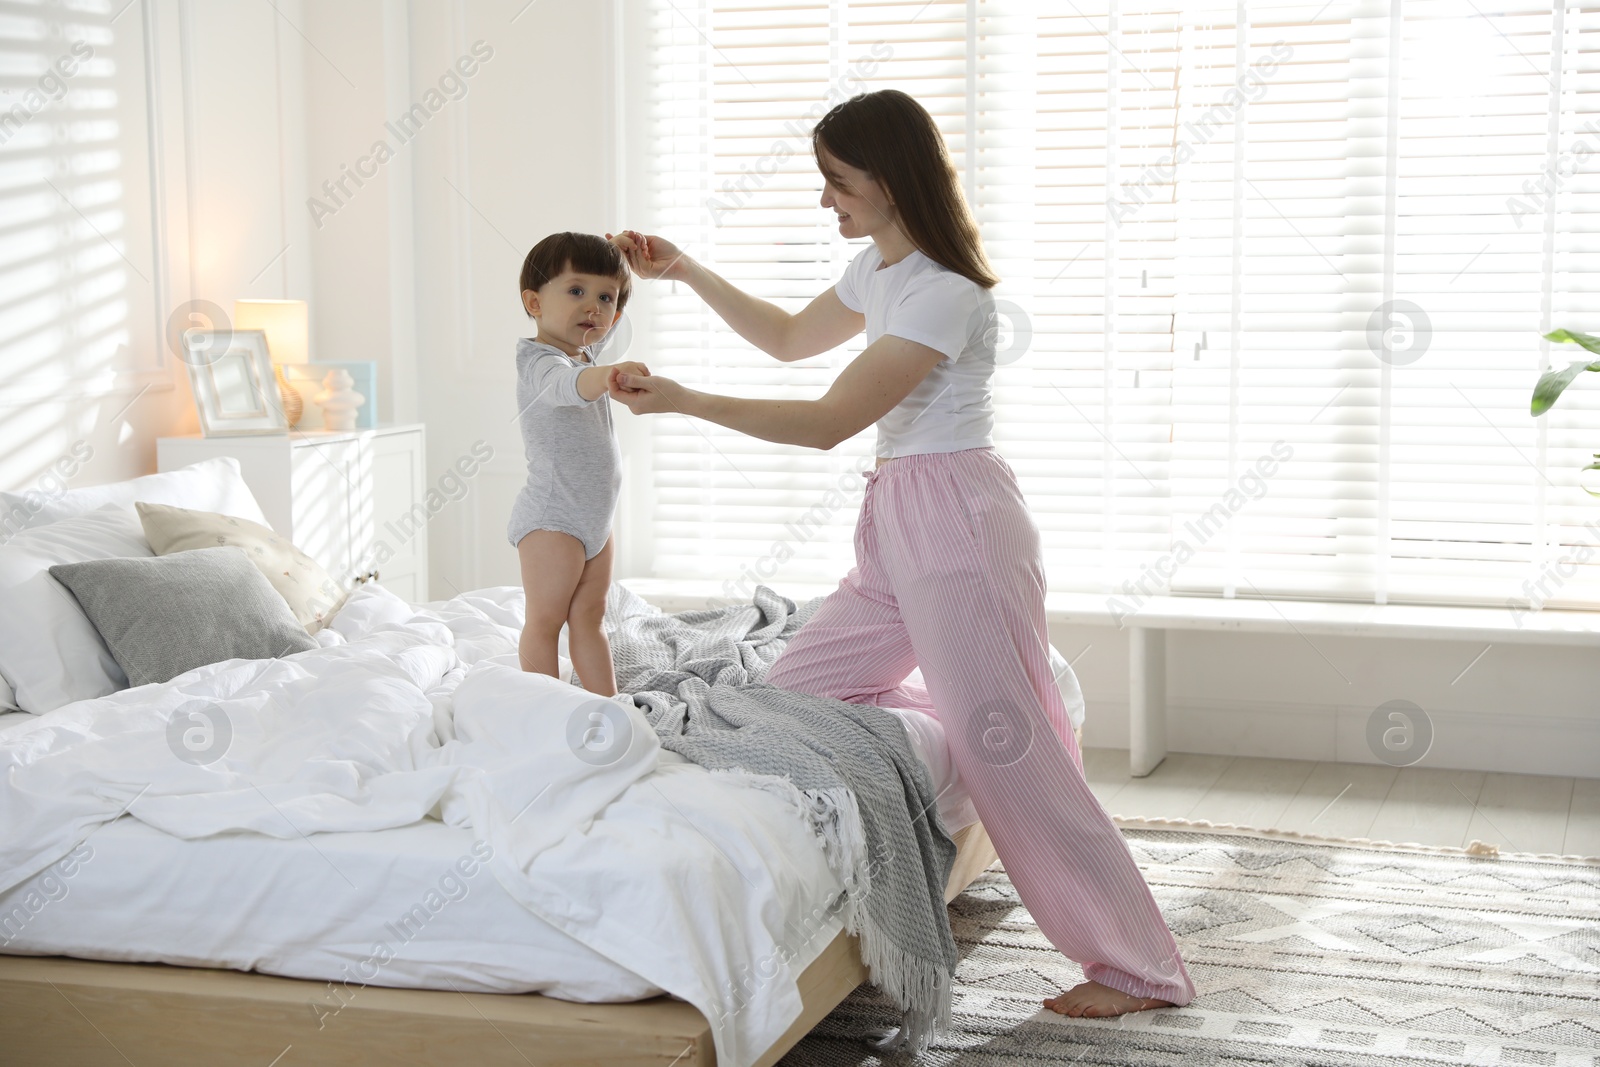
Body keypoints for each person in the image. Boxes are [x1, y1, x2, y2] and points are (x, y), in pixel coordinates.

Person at [607, 89, 1195, 1018]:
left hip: (957, 520)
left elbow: (830, 422)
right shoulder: (880, 272)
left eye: (838, 182)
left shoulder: (944, 293)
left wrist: (684, 401)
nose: (827, 200)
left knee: (1011, 748)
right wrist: (686, 270)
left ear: (890, 176)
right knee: (794, 693)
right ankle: (945, 702)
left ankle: (1137, 967)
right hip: (897, 523)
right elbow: (791, 340)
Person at [509, 231, 649, 695]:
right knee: (546, 621)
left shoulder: (585, 354)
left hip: (595, 521)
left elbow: (610, 339)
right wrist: (606, 375)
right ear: (534, 302)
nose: (593, 306)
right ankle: (543, 709)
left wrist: (626, 262)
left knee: (590, 617)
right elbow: (565, 388)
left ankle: (609, 704)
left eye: (605, 297)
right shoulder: (540, 362)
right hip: (554, 519)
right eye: (576, 291)